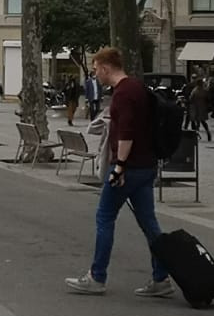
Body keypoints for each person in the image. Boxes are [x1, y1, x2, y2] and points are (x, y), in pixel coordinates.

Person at [65, 47, 170, 297]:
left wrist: (119, 166)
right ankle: (162, 277)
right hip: (146, 166)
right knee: (149, 223)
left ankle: (97, 276)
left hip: (128, 168)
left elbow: (127, 132)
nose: (95, 74)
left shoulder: (123, 94)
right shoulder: (138, 88)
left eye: (95, 69)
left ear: (106, 67)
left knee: (104, 217)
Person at [187, 72, 212, 142]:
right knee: (203, 122)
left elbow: (191, 98)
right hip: (203, 108)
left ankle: (195, 135)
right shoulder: (204, 90)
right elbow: (208, 98)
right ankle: (208, 132)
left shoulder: (195, 90)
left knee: (194, 121)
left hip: (195, 107)